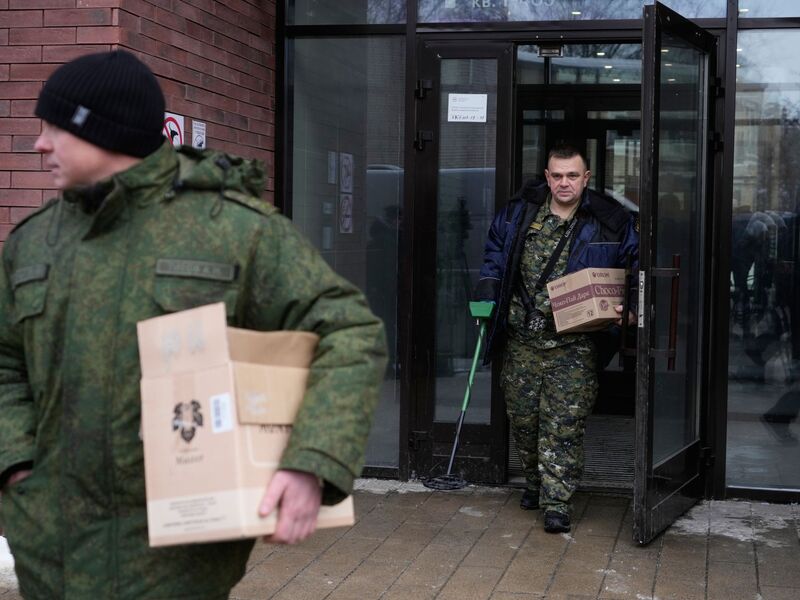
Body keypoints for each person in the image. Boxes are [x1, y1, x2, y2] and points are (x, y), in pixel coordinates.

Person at [0, 50, 387, 599]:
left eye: (54, 128)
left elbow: (349, 332)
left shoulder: (233, 230)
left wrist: (311, 462)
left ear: (101, 130)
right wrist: (16, 465)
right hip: (48, 550)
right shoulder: (34, 242)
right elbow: (4, 359)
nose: (39, 144)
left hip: (176, 560)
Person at [474, 145, 638, 533]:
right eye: (557, 176)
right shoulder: (518, 214)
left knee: (563, 424)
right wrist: (487, 297)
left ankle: (556, 501)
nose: (565, 183)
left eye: (572, 176)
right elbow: (494, 257)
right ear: (547, 178)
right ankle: (534, 483)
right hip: (522, 339)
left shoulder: (610, 221)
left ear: (586, 178)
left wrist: (629, 310)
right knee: (525, 421)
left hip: (573, 344)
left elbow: (634, 266)